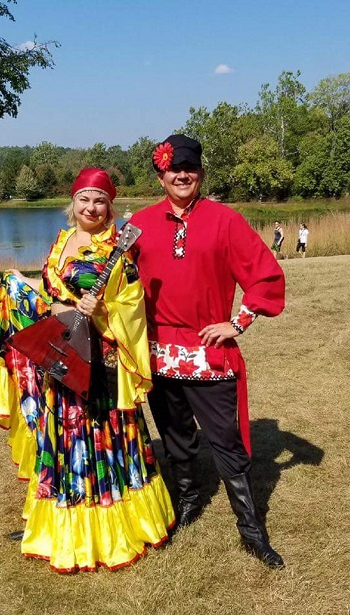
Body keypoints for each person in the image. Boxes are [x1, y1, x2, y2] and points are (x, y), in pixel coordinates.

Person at [0, 168, 175, 573]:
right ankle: (54, 526)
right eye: (85, 198)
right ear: (73, 202)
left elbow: (131, 304)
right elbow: (52, 292)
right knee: (61, 439)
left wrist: (101, 309)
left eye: (100, 200)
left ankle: (108, 532)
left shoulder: (117, 247)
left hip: (97, 360)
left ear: (110, 205)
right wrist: (22, 281)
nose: (91, 207)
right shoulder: (63, 239)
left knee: (96, 439)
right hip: (62, 357)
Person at [128, 135, 286, 568]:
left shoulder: (225, 221)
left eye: (190, 168)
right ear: (160, 174)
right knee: (176, 436)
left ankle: (251, 530)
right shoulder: (137, 225)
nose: (182, 175)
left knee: (226, 442)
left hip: (207, 353)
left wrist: (237, 323)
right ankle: (188, 501)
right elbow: (105, 273)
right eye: (173, 168)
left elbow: (265, 277)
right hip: (158, 354)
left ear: (200, 173)